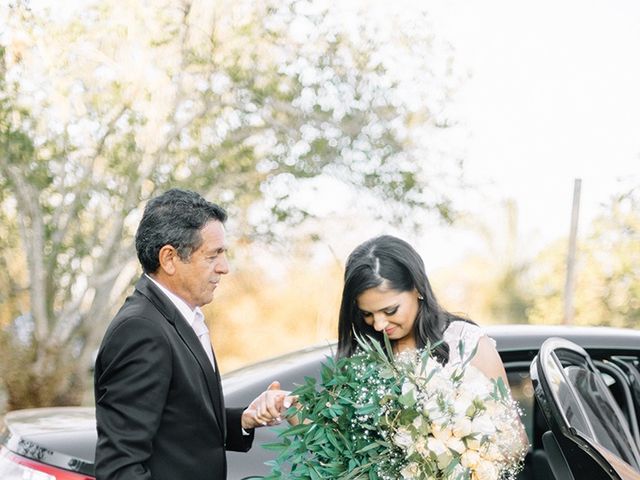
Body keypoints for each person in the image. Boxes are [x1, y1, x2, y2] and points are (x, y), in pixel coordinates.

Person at [94, 188, 290, 480]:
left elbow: (180, 422)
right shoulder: (140, 331)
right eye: (213, 256)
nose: (224, 268)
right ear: (170, 258)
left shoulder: (179, 317)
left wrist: (245, 419)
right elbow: (120, 468)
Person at [336, 235, 528, 445]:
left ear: (417, 288)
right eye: (367, 314)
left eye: (390, 310)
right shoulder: (361, 355)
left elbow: (517, 441)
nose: (379, 325)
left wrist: (462, 457)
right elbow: (345, 444)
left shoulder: (466, 343)